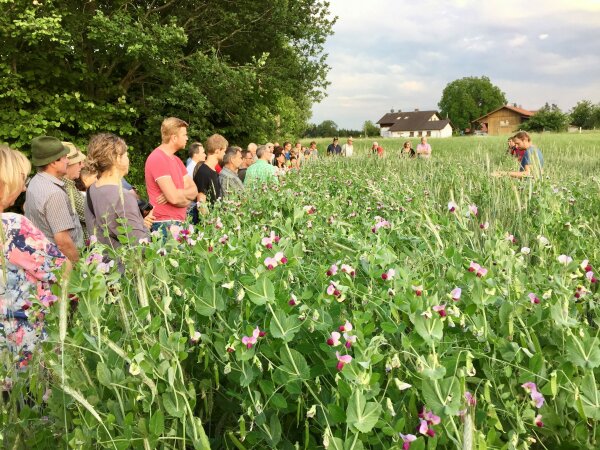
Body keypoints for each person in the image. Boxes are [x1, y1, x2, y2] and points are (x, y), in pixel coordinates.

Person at [1, 146, 69, 368]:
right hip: (18, 345)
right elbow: (60, 268)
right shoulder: (12, 226)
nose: (22, 187)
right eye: (20, 179)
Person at [85, 133, 153, 248]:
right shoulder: (123, 196)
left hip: (103, 263)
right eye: (126, 155)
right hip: (124, 264)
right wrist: (145, 227)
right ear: (117, 158)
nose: (128, 159)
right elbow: (140, 246)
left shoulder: (92, 189)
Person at [24, 136, 83, 261]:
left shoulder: (35, 182)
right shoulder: (54, 193)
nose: (67, 161)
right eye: (64, 157)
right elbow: (63, 243)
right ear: (53, 162)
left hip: (44, 259)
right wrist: (78, 269)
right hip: (60, 265)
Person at [145, 117, 198, 233]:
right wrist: (180, 196)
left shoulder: (177, 161)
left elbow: (194, 191)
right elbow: (174, 199)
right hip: (164, 224)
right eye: (184, 135)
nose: (187, 138)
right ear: (174, 138)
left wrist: (178, 192)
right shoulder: (158, 158)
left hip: (179, 221)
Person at [194, 133, 227, 213]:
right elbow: (201, 203)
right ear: (217, 151)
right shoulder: (203, 172)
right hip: (209, 223)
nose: (225, 154)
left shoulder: (214, 171)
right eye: (224, 151)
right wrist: (210, 223)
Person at [61, 142, 88, 241]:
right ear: (68, 164)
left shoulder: (69, 185)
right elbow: (89, 215)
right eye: (79, 162)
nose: (83, 165)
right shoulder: (66, 189)